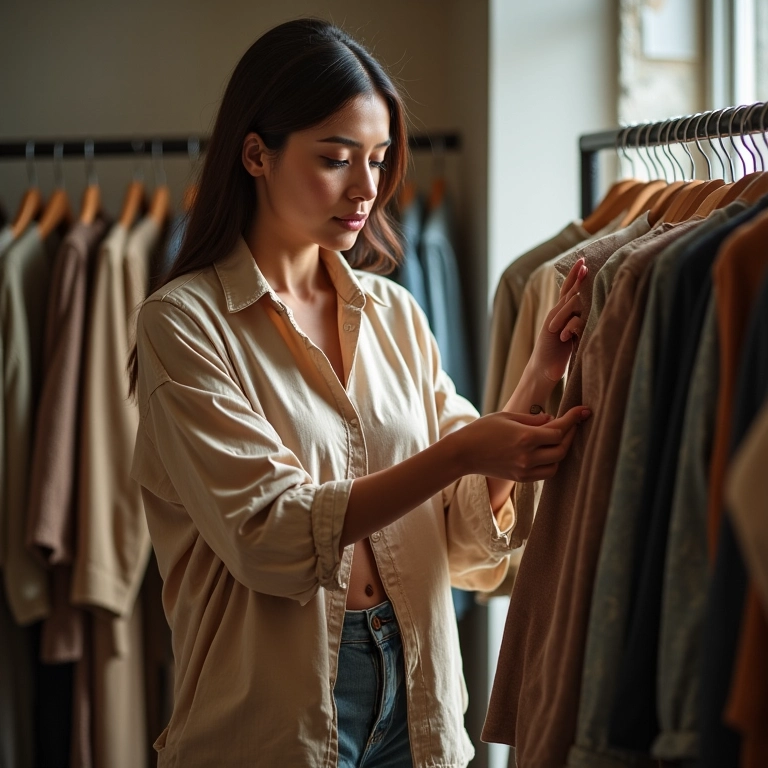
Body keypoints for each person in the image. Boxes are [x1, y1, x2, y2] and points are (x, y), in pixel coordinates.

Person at [128, 17, 590, 768]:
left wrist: (538, 376)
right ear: (256, 154)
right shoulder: (184, 324)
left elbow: (464, 527)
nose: (367, 188)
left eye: (377, 160)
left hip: (419, 686)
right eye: (336, 159)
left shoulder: (394, 312)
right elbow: (270, 533)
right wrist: (462, 451)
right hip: (276, 708)